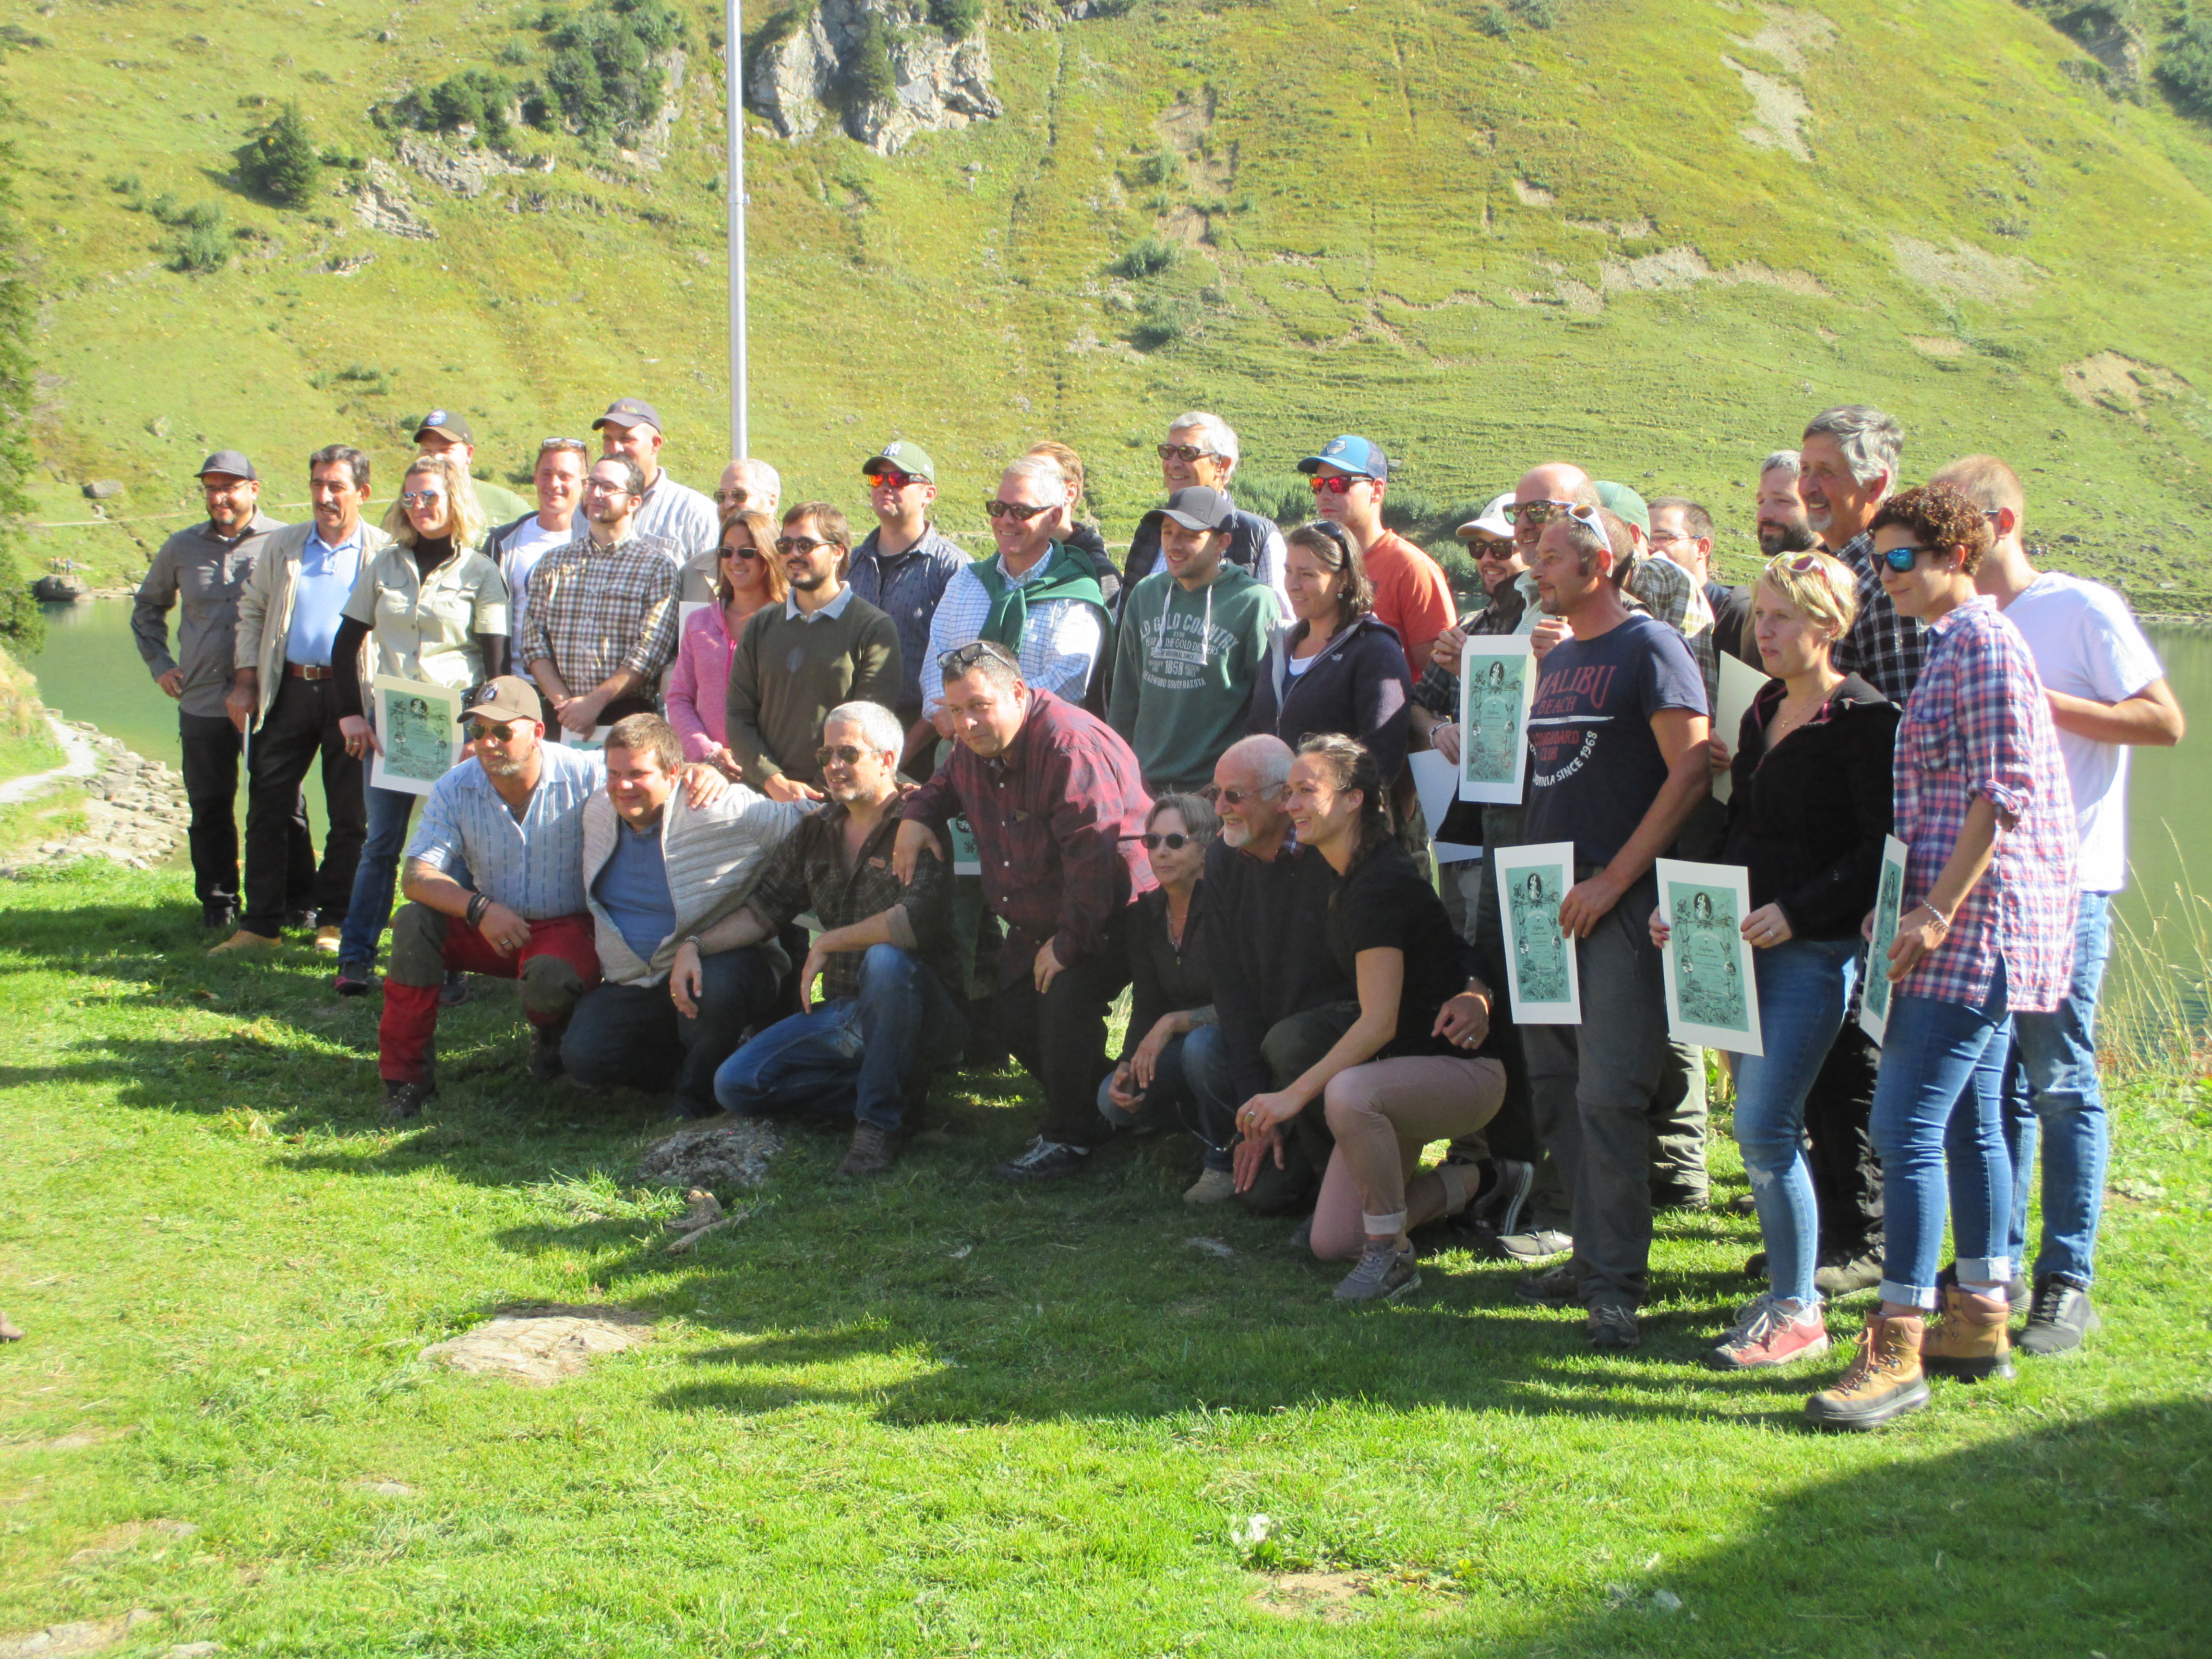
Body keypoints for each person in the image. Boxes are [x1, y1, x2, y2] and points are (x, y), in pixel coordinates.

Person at [1806, 484, 2078, 1431]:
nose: (1887, 579)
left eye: (1900, 560)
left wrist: (1932, 910)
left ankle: (1899, 1344)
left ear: (1956, 555)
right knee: (1965, 1125)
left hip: (1975, 929)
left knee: (1905, 1127)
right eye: (1877, 562)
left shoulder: (1986, 643)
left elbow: (2001, 796)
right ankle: (1980, 1321)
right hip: (1968, 924)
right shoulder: (1950, 645)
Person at [1936, 453, 2185, 1355]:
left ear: (2000, 526)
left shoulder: (2078, 608)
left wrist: (2038, 703)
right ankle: (1989, 1276)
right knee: (1986, 1083)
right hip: (1976, 885)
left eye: (1956, 530)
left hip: (2067, 882)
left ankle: (2066, 1279)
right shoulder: (1960, 619)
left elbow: (2162, 721)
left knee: (2058, 1078)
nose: (1942, 548)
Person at [1659, 550, 1897, 1370]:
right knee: (1759, 1131)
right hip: (1731, 946)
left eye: (1782, 617)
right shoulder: (1760, 706)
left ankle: (1797, 1310)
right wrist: (1692, 906)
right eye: (1759, 615)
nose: (1763, 631)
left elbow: (1876, 851)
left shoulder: (1864, 718)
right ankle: (1788, 1292)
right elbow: (1742, 827)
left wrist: (1795, 913)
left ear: (1828, 626)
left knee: (1763, 1124)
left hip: (1813, 954)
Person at [1512, 505, 1712, 1352]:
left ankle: (1615, 1286)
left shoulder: (1648, 647)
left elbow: (1693, 767)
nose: (1534, 568)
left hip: (1612, 901)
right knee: (1556, 1085)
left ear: (1598, 565)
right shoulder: (1559, 657)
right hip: (1545, 898)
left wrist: (1615, 880)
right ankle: (1588, 1252)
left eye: (1550, 557)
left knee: (1608, 1093)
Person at [1231, 734, 1505, 1301]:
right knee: (1332, 1242)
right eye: (1287, 793)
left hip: (1464, 1076)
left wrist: (1291, 1097)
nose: (1291, 806)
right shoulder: (1346, 874)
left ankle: (1392, 1256)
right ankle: (1485, 1181)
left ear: (1354, 799)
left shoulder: (1378, 884)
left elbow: (1378, 1024)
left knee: (1349, 1092)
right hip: (1398, 1080)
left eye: (1306, 791)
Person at [376, 678, 727, 1118]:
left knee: (550, 977)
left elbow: (644, 780)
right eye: (478, 731)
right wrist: (478, 908)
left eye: (503, 732)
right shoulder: (454, 785)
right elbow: (416, 875)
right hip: (489, 923)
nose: (488, 743)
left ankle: (550, 1032)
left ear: (538, 733)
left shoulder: (583, 773)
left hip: (565, 925)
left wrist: (699, 770)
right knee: (413, 923)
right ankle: (405, 1080)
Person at [895, 640, 1153, 1182]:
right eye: (957, 710)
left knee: (1059, 1001)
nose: (966, 723)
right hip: (1043, 915)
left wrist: (1065, 944)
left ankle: (1070, 1139)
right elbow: (943, 785)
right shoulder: (975, 744)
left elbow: (1097, 857)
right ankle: (1116, 1108)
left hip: (1116, 913)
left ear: (1018, 692)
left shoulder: (1067, 746)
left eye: (979, 706)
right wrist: (916, 815)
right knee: (1009, 1014)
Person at [713, 702, 967, 1176]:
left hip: (921, 1010)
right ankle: (895, 1092)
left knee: (886, 959)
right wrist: (692, 946)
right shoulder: (816, 829)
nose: (833, 766)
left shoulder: (918, 821)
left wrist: (829, 943)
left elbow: (913, 923)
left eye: (848, 754)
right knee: (736, 1084)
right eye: (826, 754)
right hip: (845, 1013)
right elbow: (761, 911)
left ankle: (877, 1127)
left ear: (887, 760)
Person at [328, 452, 511, 992]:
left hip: (455, 730)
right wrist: (350, 717)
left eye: (430, 495)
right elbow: (345, 647)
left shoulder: (481, 572)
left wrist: (481, 736)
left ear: (454, 498)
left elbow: (496, 665)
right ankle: (355, 959)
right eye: (410, 497)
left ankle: (450, 969)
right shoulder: (384, 565)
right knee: (381, 843)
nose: (419, 507)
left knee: (455, 849)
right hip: (392, 727)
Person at [561, 714, 800, 1119]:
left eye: (638, 774)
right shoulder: (598, 809)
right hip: (635, 979)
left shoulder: (716, 808)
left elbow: (808, 819)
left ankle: (695, 1099)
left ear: (673, 775)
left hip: (716, 965)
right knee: (585, 1058)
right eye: (614, 773)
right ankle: (710, 1058)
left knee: (715, 991)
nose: (622, 786)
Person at [221, 445, 390, 958]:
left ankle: (334, 921)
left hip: (353, 697)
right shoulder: (287, 545)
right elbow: (253, 609)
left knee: (350, 815)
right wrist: (246, 681)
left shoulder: (383, 551)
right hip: (289, 690)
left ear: (361, 493)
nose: (324, 496)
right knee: (267, 807)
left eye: (336, 486)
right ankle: (260, 925)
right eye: (318, 484)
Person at [1179, 735, 1358, 1212]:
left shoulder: (1333, 854)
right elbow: (1231, 990)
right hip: (1273, 1050)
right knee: (1264, 1198)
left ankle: (1338, 1184)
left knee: (1291, 1041)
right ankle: (1255, 1150)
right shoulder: (1221, 859)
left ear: (1284, 799)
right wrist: (1258, 1111)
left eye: (1234, 796)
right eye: (1215, 793)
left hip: (1337, 1046)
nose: (1219, 808)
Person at [132, 449, 294, 933]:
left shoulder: (284, 541)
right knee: (209, 805)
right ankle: (219, 904)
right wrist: (161, 665)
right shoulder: (182, 547)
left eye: (229, 487)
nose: (220, 497)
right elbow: (147, 609)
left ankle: (290, 902)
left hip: (270, 699)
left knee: (282, 805)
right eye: (211, 488)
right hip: (201, 697)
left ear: (253, 489)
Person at [1106, 486, 1280, 794]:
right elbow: (1125, 694)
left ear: (1222, 542)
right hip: (1144, 784)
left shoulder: (1253, 601)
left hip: (1215, 790)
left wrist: (1232, 785)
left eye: (1190, 535)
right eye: (1168, 532)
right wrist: (1121, 773)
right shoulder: (1146, 594)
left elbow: (1265, 709)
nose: (1174, 545)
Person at [724, 502, 902, 802]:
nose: (793, 554)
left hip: (838, 803)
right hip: (764, 798)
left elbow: (869, 728)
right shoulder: (761, 625)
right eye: (785, 544)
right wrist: (773, 781)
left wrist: (818, 791)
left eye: (806, 545)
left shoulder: (872, 628)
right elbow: (738, 716)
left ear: (838, 552)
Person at [920, 458, 1110, 732]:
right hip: (958, 750)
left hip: (1037, 754)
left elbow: (1066, 683)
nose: (1006, 520)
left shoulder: (1075, 595)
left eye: (1021, 511)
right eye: (998, 508)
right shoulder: (966, 582)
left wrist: (977, 715)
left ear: (1053, 518)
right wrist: (955, 716)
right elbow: (936, 662)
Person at [521, 456, 682, 735]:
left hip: (628, 717)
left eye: (608, 488)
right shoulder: (553, 563)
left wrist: (594, 703)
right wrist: (568, 708)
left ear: (634, 502)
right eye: (592, 484)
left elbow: (651, 652)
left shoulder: (657, 567)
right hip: (561, 715)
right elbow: (534, 642)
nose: (595, 494)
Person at [1099, 793, 1219, 1164]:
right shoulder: (1144, 916)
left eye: (1176, 841)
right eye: (1152, 841)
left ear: (1206, 847)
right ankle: (1193, 1124)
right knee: (1112, 1100)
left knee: (1201, 1050)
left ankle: (1222, 1158)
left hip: (1229, 1039)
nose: (1161, 852)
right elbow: (1148, 999)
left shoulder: (1227, 907)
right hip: (1176, 1046)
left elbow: (1248, 1003)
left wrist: (1174, 1022)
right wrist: (1127, 1061)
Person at [1247, 521, 1412, 785]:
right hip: (1271, 815)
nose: (1292, 585)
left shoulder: (1375, 650)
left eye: (1307, 575)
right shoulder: (1280, 642)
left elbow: (1382, 759)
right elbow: (1256, 728)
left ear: (1344, 579)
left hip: (1332, 818)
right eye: (1288, 571)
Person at [1298, 434, 1454, 672]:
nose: (1326, 494)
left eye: (1341, 484)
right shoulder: (1318, 563)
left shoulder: (1411, 567)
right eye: (1318, 484)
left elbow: (1439, 676)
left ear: (1377, 490)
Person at [845, 441, 968, 742]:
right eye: (878, 479)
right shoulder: (849, 563)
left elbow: (961, 664)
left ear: (929, 494)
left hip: (925, 734)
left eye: (899, 479)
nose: (886, 486)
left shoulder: (953, 568)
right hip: (853, 730)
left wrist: (907, 751)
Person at [1801, 405, 1921, 706]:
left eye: (1826, 471)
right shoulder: (1811, 568)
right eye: (1805, 469)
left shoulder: (1889, 584)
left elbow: (1903, 723)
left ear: (1874, 486)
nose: (1807, 487)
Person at [1114, 412, 1290, 614]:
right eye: (1167, 452)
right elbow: (1124, 615)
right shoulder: (1151, 527)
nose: (1173, 463)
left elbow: (1281, 627)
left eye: (1187, 453)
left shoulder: (1255, 535)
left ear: (1222, 465)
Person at [666, 512, 787, 775]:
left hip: (773, 772)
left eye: (746, 552)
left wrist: (763, 767)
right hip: (706, 771)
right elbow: (678, 698)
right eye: (726, 551)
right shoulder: (698, 622)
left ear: (767, 555)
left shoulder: (790, 623)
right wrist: (707, 751)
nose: (735, 561)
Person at [489, 437, 589, 702]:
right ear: (535, 477)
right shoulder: (502, 542)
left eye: (565, 476)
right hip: (517, 687)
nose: (554, 484)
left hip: (578, 694)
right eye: (547, 474)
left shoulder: (598, 544)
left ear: (584, 484)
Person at [593, 397, 721, 564]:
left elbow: (713, 583)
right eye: (608, 439)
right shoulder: (591, 506)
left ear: (655, 444)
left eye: (626, 439)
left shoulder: (695, 513)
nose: (615, 448)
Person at [1649, 496, 1755, 670]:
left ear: (1702, 548)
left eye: (1662, 537)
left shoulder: (1737, 615)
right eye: (1647, 536)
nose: (1650, 546)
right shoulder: (1638, 608)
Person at [1022, 440, 1120, 606]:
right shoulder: (1008, 564)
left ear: (1070, 492)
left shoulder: (1100, 573)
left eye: (1041, 478)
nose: (1028, 487)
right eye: (1025, 477)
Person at [685, 457, 785, 604]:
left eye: (739, 496)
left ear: (771, 502)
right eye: (722, 496)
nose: (728, 504)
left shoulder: (795, 566)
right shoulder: (693, 573)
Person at [411, 410, 531, 522]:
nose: (436, 457)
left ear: (469, 453)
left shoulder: (506, 504)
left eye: (445, 450)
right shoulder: (410, 507)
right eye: (427, 450)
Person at [1755, 451, 1819, 558]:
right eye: (1761, 502)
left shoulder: (1841, 572)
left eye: (1782, 501)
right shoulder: (1777, 573)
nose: (1763, 515)